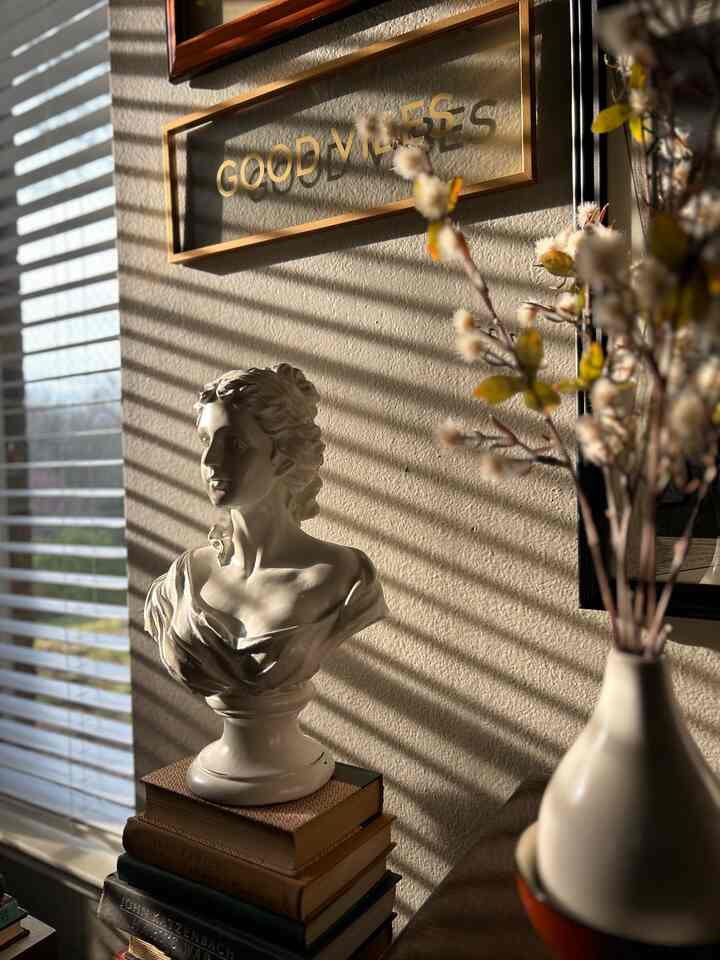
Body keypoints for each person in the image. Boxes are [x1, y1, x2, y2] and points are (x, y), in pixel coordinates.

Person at [144, 363, 387, 698]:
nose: (210, 460)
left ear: (285, 457)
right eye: (205, 441)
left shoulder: (343, 577)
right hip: (220, 751)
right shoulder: (182, 581)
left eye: (235, 445)